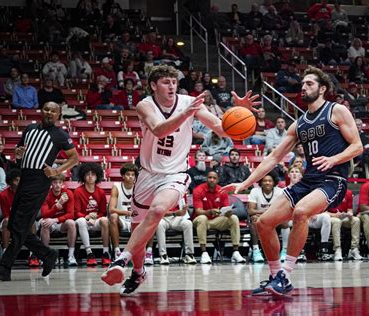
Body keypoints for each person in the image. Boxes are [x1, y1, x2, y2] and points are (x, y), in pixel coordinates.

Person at [101, 64, 259, 295]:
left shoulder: (189, 102)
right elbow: (158, 130)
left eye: (174, 82)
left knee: (157, 211)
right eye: (166, 82)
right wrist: (186, 114)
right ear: (153, 86)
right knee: (139, 230)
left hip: (175, 174)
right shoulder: (145, 104)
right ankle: (137, 271)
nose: (172, 86)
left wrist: (240, 112)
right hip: (147, 173)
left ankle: (121, 259)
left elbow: (222, 129)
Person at [222, 66, 363, 295]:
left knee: (301, 212)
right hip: (308, 181)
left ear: (322, 88)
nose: (304, 87)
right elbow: (274, 157)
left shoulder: (336, 111)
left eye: (309, 83)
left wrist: (333, 159)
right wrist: (244, 184)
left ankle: (286, 274)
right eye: (303, 83)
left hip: (332, 179)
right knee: (263, 223)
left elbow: (357, 146)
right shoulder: (298, 124)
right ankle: (276, 275)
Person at [0, 102, 79, 281]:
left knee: (18, 226)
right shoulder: (30, 128)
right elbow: (20, 153)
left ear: (58, 115)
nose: (49, 112)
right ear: (41, 111)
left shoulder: (60, 134)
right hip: (23, 177)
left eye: (53, 110)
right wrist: (18, 155)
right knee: (14, 225)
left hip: (39, 182)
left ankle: (4, 267)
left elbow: (75, 158)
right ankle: (47, 254)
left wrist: (56, 171)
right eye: (46, 109)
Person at [192, 171, 246, 264]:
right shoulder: (198, 190)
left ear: (218, 180)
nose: (212, 180)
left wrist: (228, 213)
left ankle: (236, 252)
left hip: (217, 220)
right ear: (206, 179)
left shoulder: (222, 191)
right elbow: (198, 211)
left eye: (214, 178)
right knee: (202, 218)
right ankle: (204, 252)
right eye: (210, 177)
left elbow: (225, 209)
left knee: (233, 218)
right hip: (201, 221)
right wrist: (209, 212)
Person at [74, 162, 110, 267]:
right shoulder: (78, 191)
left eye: (93, 174)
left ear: (97, 176)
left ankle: (105, 253)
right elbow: (76, 212)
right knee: (80, 221)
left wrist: (95, 218)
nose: (90, 176)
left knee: (105, 220)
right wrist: (86, 217)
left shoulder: (101, 192)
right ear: (83, 176)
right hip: (83, 220)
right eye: (88, 174)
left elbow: (103, 212)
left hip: (96, 221)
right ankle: (89, 253)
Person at [248, 171, 287, 263]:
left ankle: (284, 250)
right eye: (265, 181)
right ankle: (256, 250)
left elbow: (282, 209)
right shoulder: (255, 191)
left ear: (274, 182)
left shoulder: (280, 191)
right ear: (261, 182)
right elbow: (250, 211)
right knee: (253, 220)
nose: (267, 183)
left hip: (274, 217)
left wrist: (269, 213)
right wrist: (266, 212)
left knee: (285, 222)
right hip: (261, 218)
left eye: (270, 181)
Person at [39, 173, 77, 266]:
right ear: (51, 183)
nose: (57, 185)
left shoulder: (68, 193)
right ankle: (45, 256)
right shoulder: (46, 194)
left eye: (60, 182)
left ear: (63, 183)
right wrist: (56, 206)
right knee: (44, 223)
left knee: (71, 223)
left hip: (61, 222)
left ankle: (71, 255)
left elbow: (71, 214)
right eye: (55, 182)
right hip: (49, 221)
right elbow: (44, 214)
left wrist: (56, 219)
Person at [108, 163, 140, 261]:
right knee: (113, 216)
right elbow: (111, 209)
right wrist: (127, 213)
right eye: (128, 174)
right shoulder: (116, 187)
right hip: (122, 220)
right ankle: (117, 251)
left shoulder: (139, 187)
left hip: (135, 220)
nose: (130, 177)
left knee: (149, 218)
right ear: (123, 176)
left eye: (133, 175)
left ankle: (146, 252)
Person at [156, 194, 196, 265]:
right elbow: (158, 212)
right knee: (159, 224)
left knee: (188, 223)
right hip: (164, 218)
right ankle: (163, 255)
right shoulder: (160, 192)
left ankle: (189, 254)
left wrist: (184, 210)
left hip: (177, 218)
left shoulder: (181, 192)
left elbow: (183, 211)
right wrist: (174, 213)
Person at [328, 188, 363, 261]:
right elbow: (323, 212)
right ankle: (337, 249)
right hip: (331, 217)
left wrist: (349, 214)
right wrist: (335, 215)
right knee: (336, 221)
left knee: (356, 220)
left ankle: (354, 249)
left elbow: (349, 210)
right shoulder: (328, 192)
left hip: (343, 217)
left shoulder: (348, 192)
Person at [0, 169, 21, 259]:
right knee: (6, 222)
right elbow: (6, 214)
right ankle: (5, 253)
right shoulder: (3, 195)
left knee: (31, 222)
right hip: (10, 219)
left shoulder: (26, 193)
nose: (19, 182)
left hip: (23, 219)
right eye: (16, 180)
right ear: (10, 181)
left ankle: (33, 255)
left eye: (20, 180)